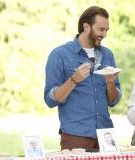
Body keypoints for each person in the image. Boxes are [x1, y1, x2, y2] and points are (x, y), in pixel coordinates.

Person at [44, 6, 121, 150]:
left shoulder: (108, 55)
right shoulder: (59, 55)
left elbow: (113, 101)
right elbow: (50, 100)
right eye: (101, 29)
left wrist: (110, 84)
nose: (104, 35)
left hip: (106, 135)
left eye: (106, 30)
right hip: (76, 137)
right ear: (86, 27)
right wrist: (73, 80)